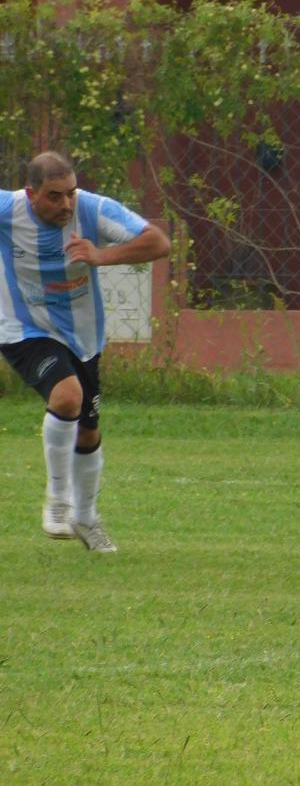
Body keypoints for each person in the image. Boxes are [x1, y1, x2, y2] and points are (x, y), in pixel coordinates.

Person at [1, 152, 171, 552]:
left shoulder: (92, 210)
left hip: (83, 335)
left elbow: (158, 242)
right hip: (25, 330)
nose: (66, 205)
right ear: (32, 194)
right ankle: (58, 502)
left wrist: (101, 255)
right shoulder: (8, 210)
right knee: (67, 395)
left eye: (71, 194)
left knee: (89, 428)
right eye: (55, 196)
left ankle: (85, 517)